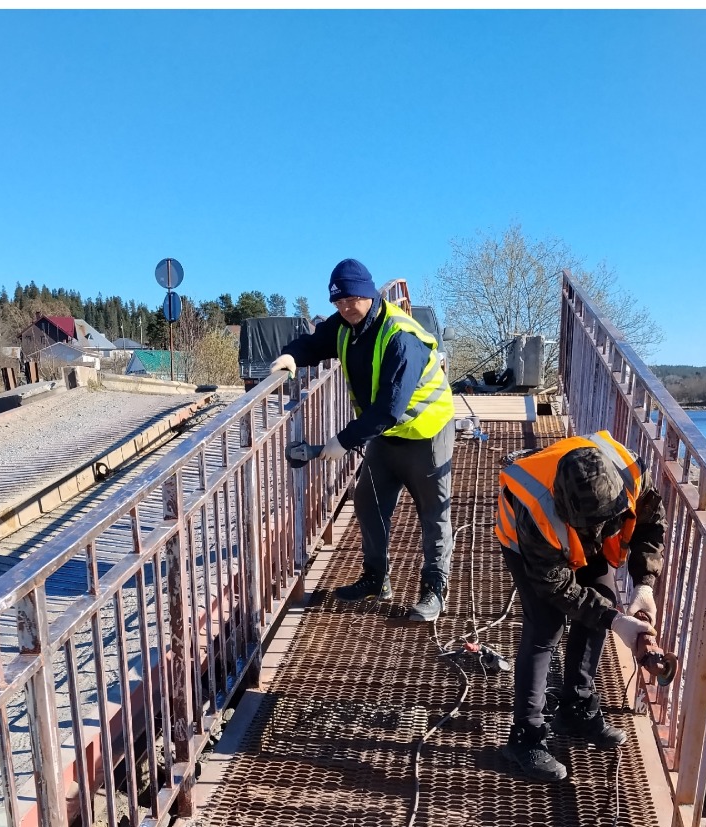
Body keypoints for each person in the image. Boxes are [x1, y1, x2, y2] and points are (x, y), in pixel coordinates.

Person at [274, 258, 455, 622]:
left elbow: (390, 406)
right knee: (368, 503)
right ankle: (376, 578)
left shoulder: (401, 337)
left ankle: (434, 591)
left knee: (433, 514)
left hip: (426, 433)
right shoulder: (344, 326)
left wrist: (341, 440)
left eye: (351, 300)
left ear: (370, 294)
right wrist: (291, 356)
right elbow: (314, 342)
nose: (345, 308)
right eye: (338, 303)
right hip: (385, 435)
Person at [494, 431, 665, 783]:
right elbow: (557, 586)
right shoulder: (537, 513)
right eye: (589, 526)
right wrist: (617, 622)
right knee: (546, 625)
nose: (598, 532)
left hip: (570, 534)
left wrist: (644, 585)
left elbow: (649, 525)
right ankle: (525, 735)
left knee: (602, 601)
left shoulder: (632, 473)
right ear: (565, 507)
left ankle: (576, 706)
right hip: (527, 546)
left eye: (605, 521)